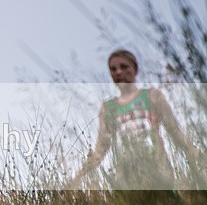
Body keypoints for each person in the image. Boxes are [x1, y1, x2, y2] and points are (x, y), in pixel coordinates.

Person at [70, 49, 200, 189]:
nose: (118, 72)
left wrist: (198, 156)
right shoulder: (108, 107)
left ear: (135, 69)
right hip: (126, 178)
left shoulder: (152, 96)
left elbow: (175, 132)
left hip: (159, 172)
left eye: (124, 67)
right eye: (113, 69)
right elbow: (100, 149)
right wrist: (78, 177)